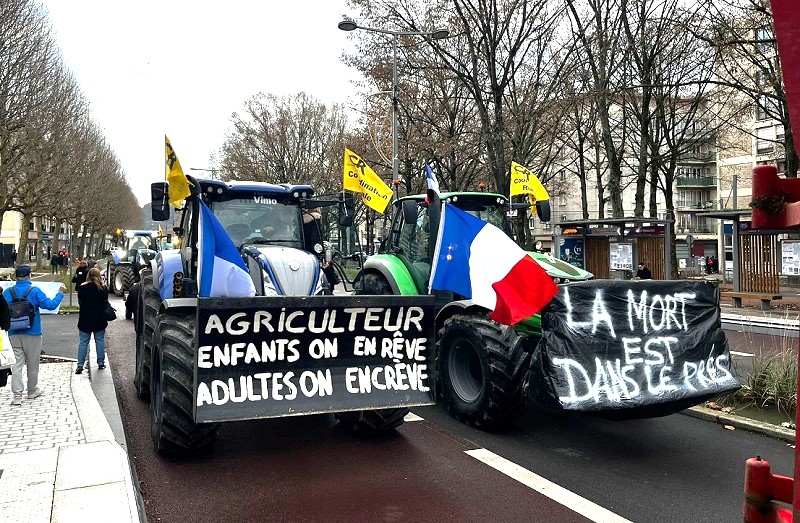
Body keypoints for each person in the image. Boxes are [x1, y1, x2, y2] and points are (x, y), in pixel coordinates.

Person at [3, 265, 66, 405]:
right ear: (30, 276)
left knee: (17, 364)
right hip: (33, 332)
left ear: (15, 277)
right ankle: (32, 391)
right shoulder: (34, 291)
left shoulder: (8, 292)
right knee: (32, 363)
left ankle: (17, 396)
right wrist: (60, 293)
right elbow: (50, 305)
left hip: (13, 333)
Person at [75, 267, 109, 374]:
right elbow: (104, 304)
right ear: (99, 276)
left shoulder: (82, 288)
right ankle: (100, 363)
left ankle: (80, 365)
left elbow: (80, 302)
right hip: (99, 318)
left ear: (88, 276)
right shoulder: (103, 289)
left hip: (85, 318)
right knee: (100, 340)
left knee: (83, 342)